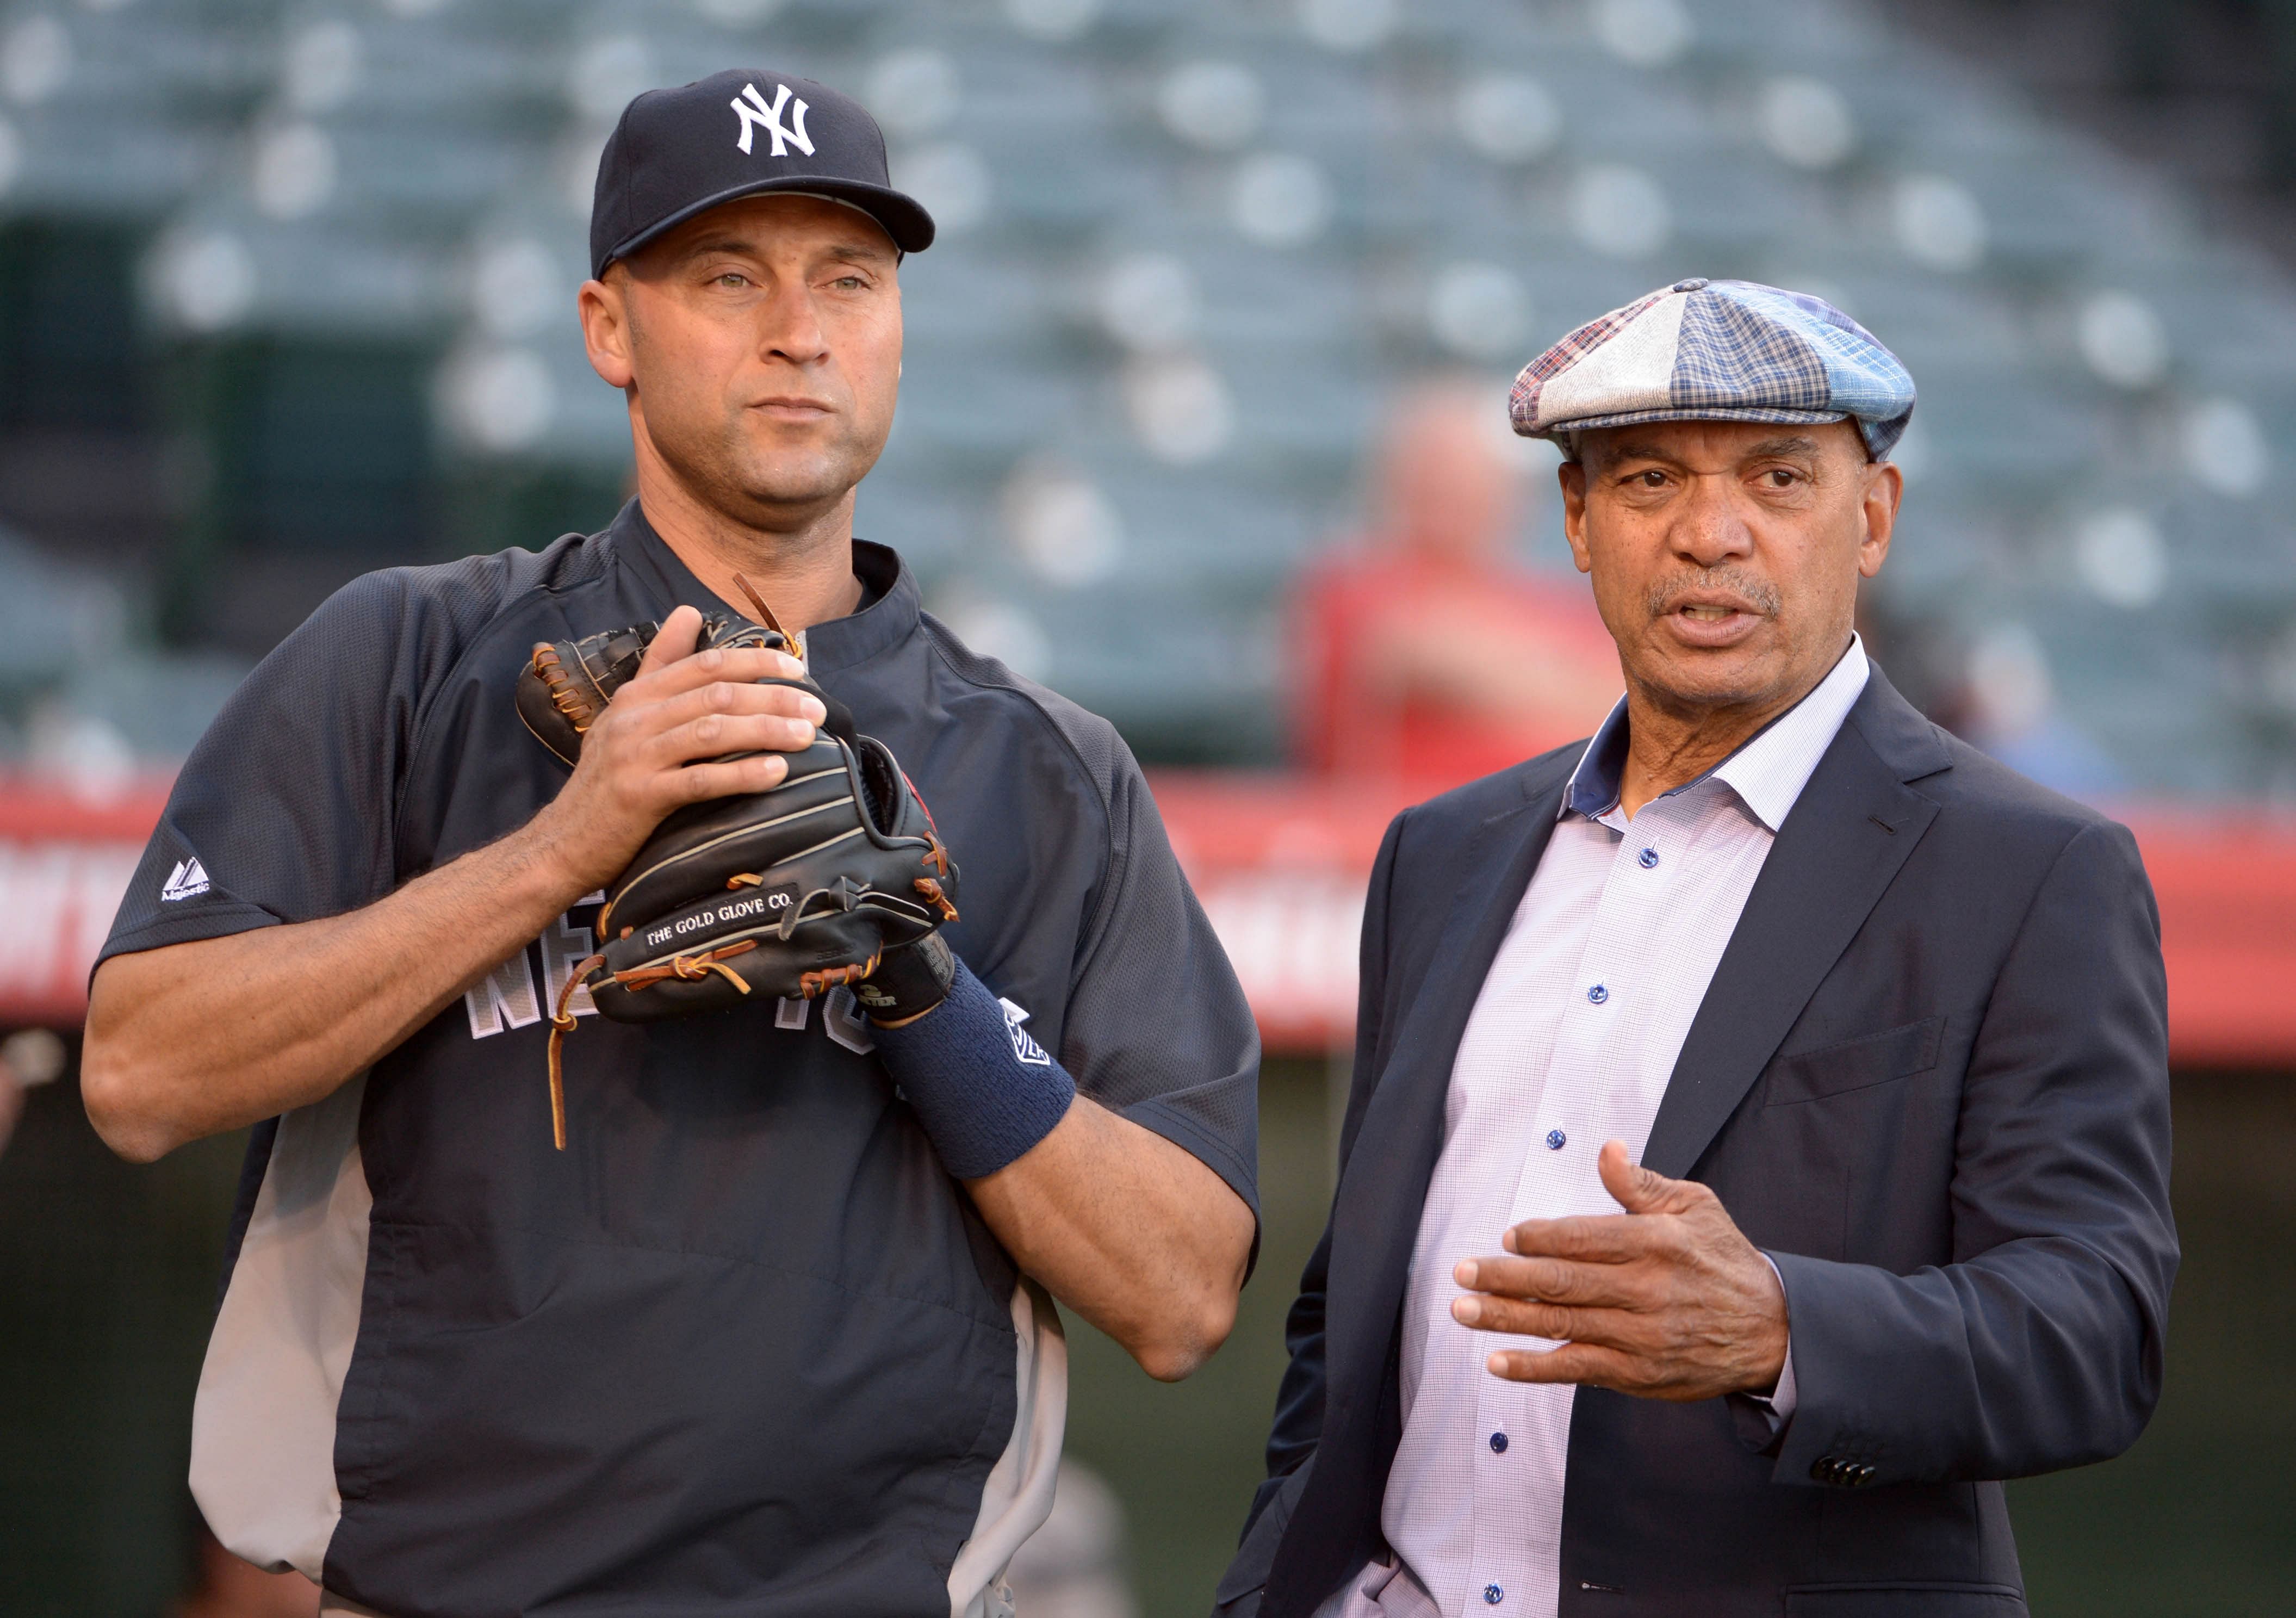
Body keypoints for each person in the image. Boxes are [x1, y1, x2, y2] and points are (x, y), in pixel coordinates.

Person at [79, 70, 1259, 1618]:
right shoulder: (407, 657)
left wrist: (921, 984)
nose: (799, 328)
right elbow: (137, 1070)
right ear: (606, 329)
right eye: (726, 275)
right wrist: (559, 846)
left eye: (848, 277)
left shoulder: (1046, 767)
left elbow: (1180, 1295)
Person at [1217, 278, 2175, 1617]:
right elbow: (1352, 1317)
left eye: (1779, 478)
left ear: (1875, 518)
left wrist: (1783, 1328)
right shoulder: (1439, 856)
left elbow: (2095, 1332)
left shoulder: (2032, 870)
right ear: (1577, 524)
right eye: (1650, 478)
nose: (1710, 533)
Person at [1292, 380, 1619, 789]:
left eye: (1466, 473)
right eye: (1434, 468)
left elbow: (1637, 700)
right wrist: (1570, 683)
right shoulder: (1357, 586)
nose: (1449, 490)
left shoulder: (1553, 598)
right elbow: (1420, 654)